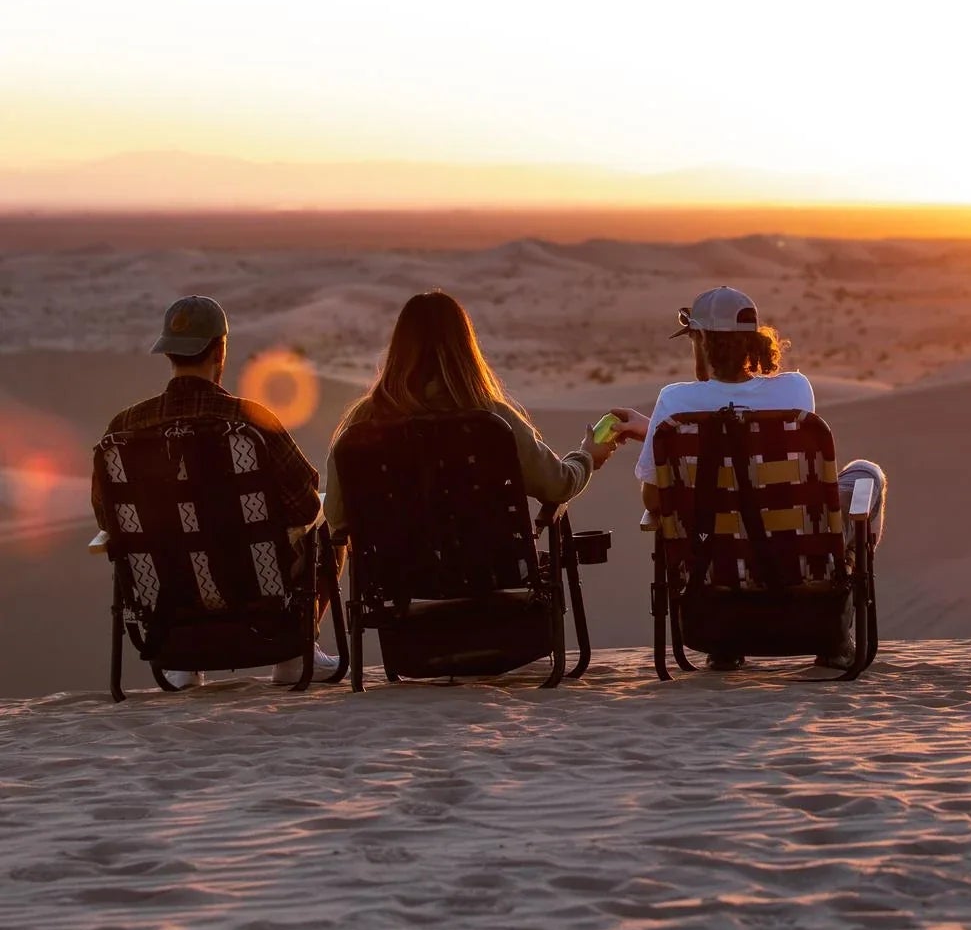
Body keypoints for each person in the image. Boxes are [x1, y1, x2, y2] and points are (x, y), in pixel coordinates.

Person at [615, 286, 887, 672]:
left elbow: (656, 500)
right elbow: (759, 457)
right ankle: (835, 620)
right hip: (793, 560)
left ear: (702, 341)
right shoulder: (795, 390)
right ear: (754, 341)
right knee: (867, 475)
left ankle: (726, 645)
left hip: (712, 568)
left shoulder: (674, 404)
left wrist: (658, 433)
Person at [92, 295, 340, 688]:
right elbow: (304, 503)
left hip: (170, 594)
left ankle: (185, 661)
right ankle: (295, 655)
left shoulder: (125, 427)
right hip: (256, 586)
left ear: (168, 352)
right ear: (220, 350)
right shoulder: (249, 420)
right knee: (326, 531)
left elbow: (109, 518)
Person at [323, 289, 627, 534]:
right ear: (465, 348)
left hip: (394, 585)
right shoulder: (492, 420)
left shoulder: (364, 422)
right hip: (491, 580)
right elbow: (557, 485)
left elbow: (337, 516)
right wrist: (587, 456)